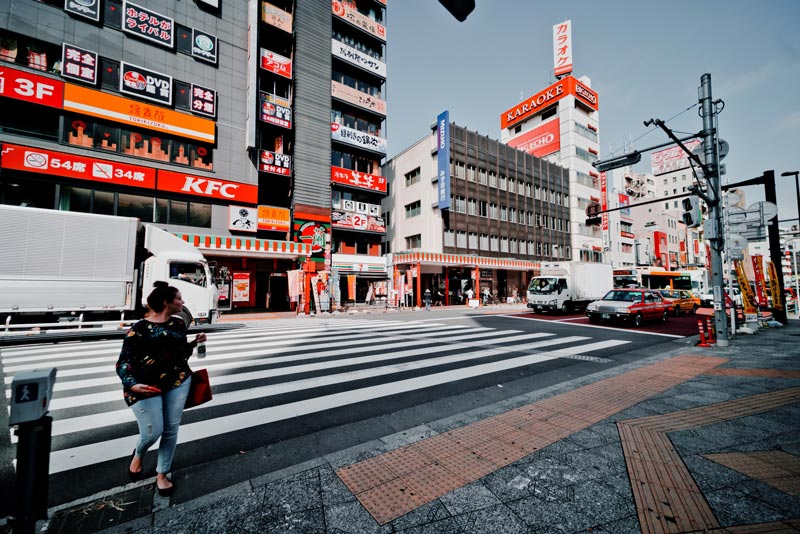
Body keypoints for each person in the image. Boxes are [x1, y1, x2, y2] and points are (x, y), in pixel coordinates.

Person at [116, 281, 207, 496]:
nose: (182, 302)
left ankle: (162, 473)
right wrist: (132, 384)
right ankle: (139, 452)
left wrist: (194, 343)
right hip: (145, 386)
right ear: (167, 302)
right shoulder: (139, 329)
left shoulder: (177, 324)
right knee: (153, 431)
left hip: (178, 381)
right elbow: (123, 362)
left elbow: (179, 353)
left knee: (171, 428)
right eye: (178, 299)